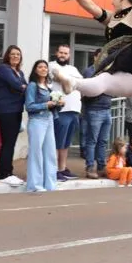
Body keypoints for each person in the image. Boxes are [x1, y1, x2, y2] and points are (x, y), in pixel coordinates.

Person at [0, 45, 27, 187]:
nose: (15, 56)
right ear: (7, 55)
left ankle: (8, 172)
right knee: (7, 143)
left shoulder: (19, 72)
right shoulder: (4, 69)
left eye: (18, 54)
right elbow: (18, 85)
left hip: (16, 110)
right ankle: (4, 174)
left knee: (10, 143)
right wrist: (22, 87)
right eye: (12, 54)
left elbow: (24, 85)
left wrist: (23, 87)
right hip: (5, 110)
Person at [24, 60, 61, 192]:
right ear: (35, 70)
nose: (43, 69)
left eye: (45, 67)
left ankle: (50, 184)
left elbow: (53, 107)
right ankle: (35, 185)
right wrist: (46, 105)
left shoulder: (48, 87)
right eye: (40, 67)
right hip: (37, 120)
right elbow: (29, 106)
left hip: (49, 119)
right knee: (36, 153)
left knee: (50, 153)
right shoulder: (32, 86)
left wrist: (58, 104)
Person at [49, 44, 82, 181]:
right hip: (61, 110)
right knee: (58, 141)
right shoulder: (51, 66)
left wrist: (68, 80)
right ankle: (54, 169)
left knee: (66, 143)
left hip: (74, 110)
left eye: (66, 53)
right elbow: (60, 79)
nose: (63, 55)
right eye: (61, 52)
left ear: (69, 55)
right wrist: (69, 80)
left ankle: (62, 168)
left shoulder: (73, 69)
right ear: (57, 53)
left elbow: (79, 83)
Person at [82, 57, 113, 179]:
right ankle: (90, 167)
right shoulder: (90, 71)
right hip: (94, 110)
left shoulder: (108, 71)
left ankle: (101, 167)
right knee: (92, 141)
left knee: (103, 141)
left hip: (107, 109)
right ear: (95, 57)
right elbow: (92, 89)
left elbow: (111, 88)